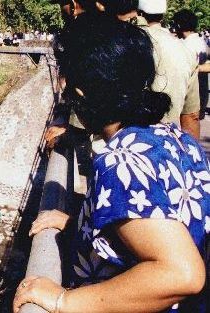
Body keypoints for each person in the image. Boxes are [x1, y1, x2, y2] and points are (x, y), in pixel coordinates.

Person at [13, 15, 208, 313]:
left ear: (81, 93)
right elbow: (156, 219)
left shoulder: (120, 162)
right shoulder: (172, 139)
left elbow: (182, 274)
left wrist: (64, 300)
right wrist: (83, 223)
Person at [136, 0, 201, 139]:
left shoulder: (122, 41)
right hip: (166, 147)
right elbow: (191, 115)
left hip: (122, 148)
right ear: (163, 15)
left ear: (138, 12)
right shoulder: (185, 51)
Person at [173, 9, 209, 120]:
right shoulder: (201, 42)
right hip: (202, 93)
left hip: (190, 96)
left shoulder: (186, 46)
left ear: (179, 25)